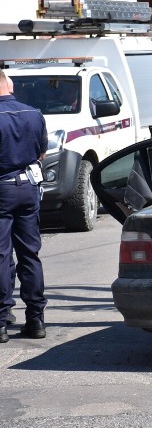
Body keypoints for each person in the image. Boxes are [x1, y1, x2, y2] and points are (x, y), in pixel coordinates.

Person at [0, 70, 48, 343]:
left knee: (2, 255)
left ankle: (2, 322)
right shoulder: (33, 113)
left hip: (2, 187)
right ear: (10, 85)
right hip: (28, 188)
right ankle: (36, 319)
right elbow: (42, 153)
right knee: (30, 254)